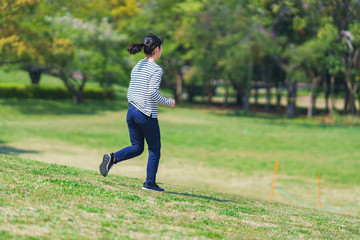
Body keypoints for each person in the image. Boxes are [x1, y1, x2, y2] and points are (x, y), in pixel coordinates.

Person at [99, 33, 175, 192]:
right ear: (156, 49)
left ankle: (113, 158)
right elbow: (152, 93)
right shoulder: (156, 69)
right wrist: (168, 102)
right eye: (161, 47)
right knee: (154, 150)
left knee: (137, 147)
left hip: (131, 111)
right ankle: (149, 184)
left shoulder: (138, 65)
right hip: (145, 114)